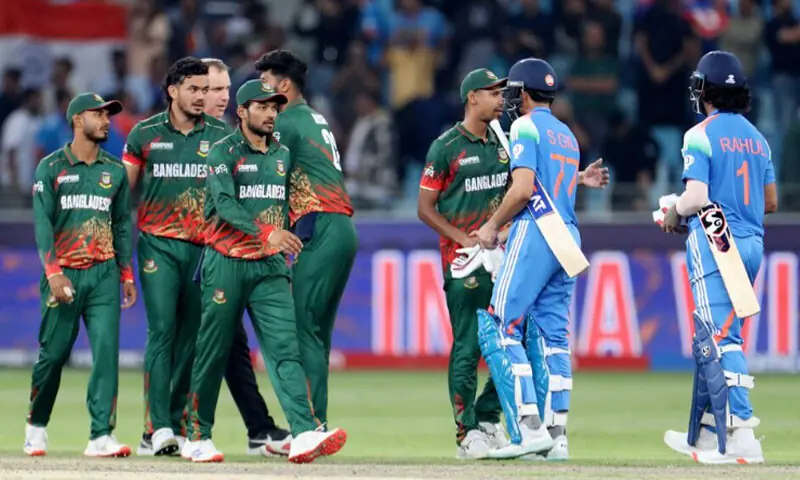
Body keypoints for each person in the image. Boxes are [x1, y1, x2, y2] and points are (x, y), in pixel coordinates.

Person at [181, 80, 348, 464]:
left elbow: (292, 199)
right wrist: (268, 231)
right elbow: (224, 204)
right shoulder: (222, 153)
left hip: (270, 268)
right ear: (242, 112)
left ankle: (304, 431)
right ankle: (197, 435)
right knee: (213, 350)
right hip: (226, 262)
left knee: (285, 351)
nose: (272, 113)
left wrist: (297, 229)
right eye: (263, 107)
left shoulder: (283, 154)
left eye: (275, 107)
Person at [472, 58, 608, 460]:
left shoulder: (525, 127)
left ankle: (529, 428)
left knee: (500, 325)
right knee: (554, 339)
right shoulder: (566, 134)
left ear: (523, 93)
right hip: (568, 235)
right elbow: (557, 184)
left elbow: (523, 189)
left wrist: (493, 225)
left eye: (513, 92)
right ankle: (557, 436)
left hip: (537, 232)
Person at [661, 50, 775, 465]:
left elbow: (696, 197)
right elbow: (771, 201)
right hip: (751, 244)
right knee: (722, 334)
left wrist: (674, 212)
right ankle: (708, 433)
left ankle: (742, 434)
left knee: (719, 339)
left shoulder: (699, 134)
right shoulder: (758, 139)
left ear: (703, 91)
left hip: (716, 241)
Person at [122, 57, 230, 456]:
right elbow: (121, 195)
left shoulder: (222, 134)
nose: (203, 97)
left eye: (207, 90)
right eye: (195, 89)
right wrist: (118, 257)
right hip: (158, 245)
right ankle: (157, 427)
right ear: (173, 91)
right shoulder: (144, 134)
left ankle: (179, 424)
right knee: (163, 332)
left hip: (205, 249)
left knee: (191, 341)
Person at [24, 92, 136, 457]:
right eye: (98, 115)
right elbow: (42, 224)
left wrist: (126, 274)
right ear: (76, 120)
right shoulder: (52, 167)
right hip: (65, 274)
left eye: (108, 115)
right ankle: (36, 424)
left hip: (103, 274)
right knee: (53, 354)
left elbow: (121, 224)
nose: (106, 121)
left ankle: (101, 434)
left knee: (106, 353)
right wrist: (53, 272)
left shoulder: (115, 170)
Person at [255, 50, 357, 426]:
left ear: (283, 86)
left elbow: (263, 175)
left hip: (321, 225)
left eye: (265, 85)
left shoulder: (285, 124)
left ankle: (310, 426)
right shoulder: (315, 117)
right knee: (316, 334)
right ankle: (318, 424)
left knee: (300, 331)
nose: (259, 97)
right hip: (340, 226)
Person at [200, 57, 291, 456]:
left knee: (231, 350)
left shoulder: (248, 139)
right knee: (190, 344)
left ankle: (258, 429)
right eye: (210, 89)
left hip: (242, 252)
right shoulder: (160, 136)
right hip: (191, 252)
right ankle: (170, 430)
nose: (217, 96)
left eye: (223, 88)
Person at [417, 68, 509, 460]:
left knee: (512, 343)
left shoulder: (502, 141)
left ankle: (488, 418)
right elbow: (424, 208)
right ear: (472, 97)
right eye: (493, 93)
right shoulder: (446, 146)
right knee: (469, 347)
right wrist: (463, 239)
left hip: (502, 258)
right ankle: (466, 432)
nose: (501, 99)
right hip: (464, 262)